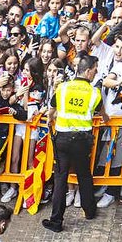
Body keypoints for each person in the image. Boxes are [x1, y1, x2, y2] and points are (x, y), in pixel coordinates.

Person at [43, 55, 105, 231]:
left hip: (62, 139)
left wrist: (49, 119)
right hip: (82, 141)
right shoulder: (94, 93)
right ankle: (89, 211)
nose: (96, 73)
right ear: (87, 71)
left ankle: (56, 221)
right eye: (95, 69)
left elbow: (52, 109)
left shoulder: (62, 88)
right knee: (84, 175)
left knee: (60, 178)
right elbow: (102, 113)